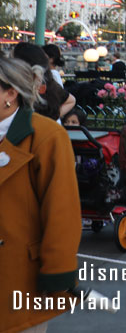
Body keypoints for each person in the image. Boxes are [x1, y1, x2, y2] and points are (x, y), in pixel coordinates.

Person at [0, 56, 82, 332]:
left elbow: (62, 212)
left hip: (18, 279)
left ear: (10, 93)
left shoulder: (47, 136)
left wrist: (58, 274)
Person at [13, 41, 75, 120]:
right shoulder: (49, 80)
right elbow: (71, 100)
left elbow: (70, 100)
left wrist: (50, 118)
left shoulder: (50, 78)